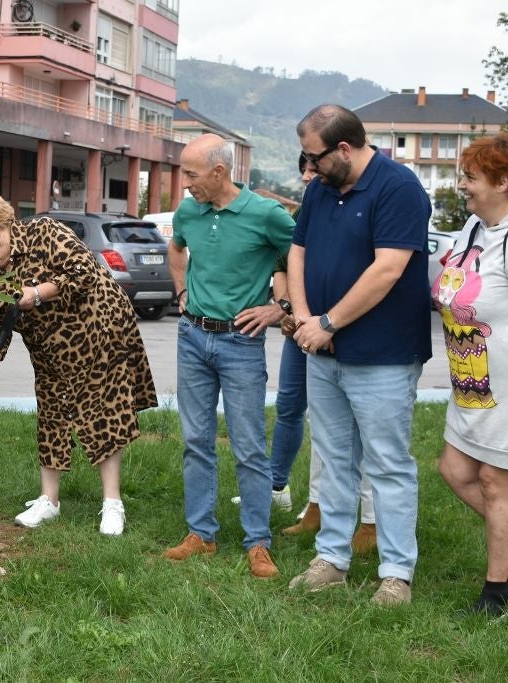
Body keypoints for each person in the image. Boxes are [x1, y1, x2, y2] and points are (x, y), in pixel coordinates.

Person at [288, 104, 432, 606]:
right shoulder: (321, 191)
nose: (308, 168)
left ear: (343, 149)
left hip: (383, 356)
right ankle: (332, 558)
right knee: (333, 457)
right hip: (323, 350)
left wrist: (328, 323)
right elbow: (298, 251)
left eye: (314, 158)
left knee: (388, 464)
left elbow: (388, 270)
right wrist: (306, 319)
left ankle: (396, 573)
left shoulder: (399, 188)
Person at [0, 194, 157, 535]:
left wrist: (35, 294)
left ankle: (112, 503)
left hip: (97, 327)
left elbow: (85, 271)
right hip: (49, 345)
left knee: (102, 409)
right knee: (50, 408)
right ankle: (49, 500)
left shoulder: (44, 233)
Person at [161, 133, 294, 578]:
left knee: (249, 446)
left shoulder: (266, 214)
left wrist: (281, 308)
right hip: (192, 337)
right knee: (196, 440)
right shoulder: (188, 212)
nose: (186, 185)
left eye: (192, 175)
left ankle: (258, 542)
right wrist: (181, 290)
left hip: (241, 343)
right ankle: (201, 534)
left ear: (220, 173)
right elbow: (176, 248)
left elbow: (298, 257)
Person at [237, 156, 378, 553]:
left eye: (314, 167)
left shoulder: (364, 209)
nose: (305, 176)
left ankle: (370, 522)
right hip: (307, 331)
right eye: (304, 168)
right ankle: (316, 508)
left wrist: (326, 322)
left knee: (366, 434)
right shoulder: (311, 208)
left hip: (348, 330)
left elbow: (369, 275)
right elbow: (286, 263)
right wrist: (292, 312)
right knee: (323, 428)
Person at [432, 132, 508, 618]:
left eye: (471, 178)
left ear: (503, 182)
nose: (462, 185)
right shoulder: (472, 232)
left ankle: (497, 594)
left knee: (495, 482)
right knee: (454, 471)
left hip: (506, 387)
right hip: (470, 382)